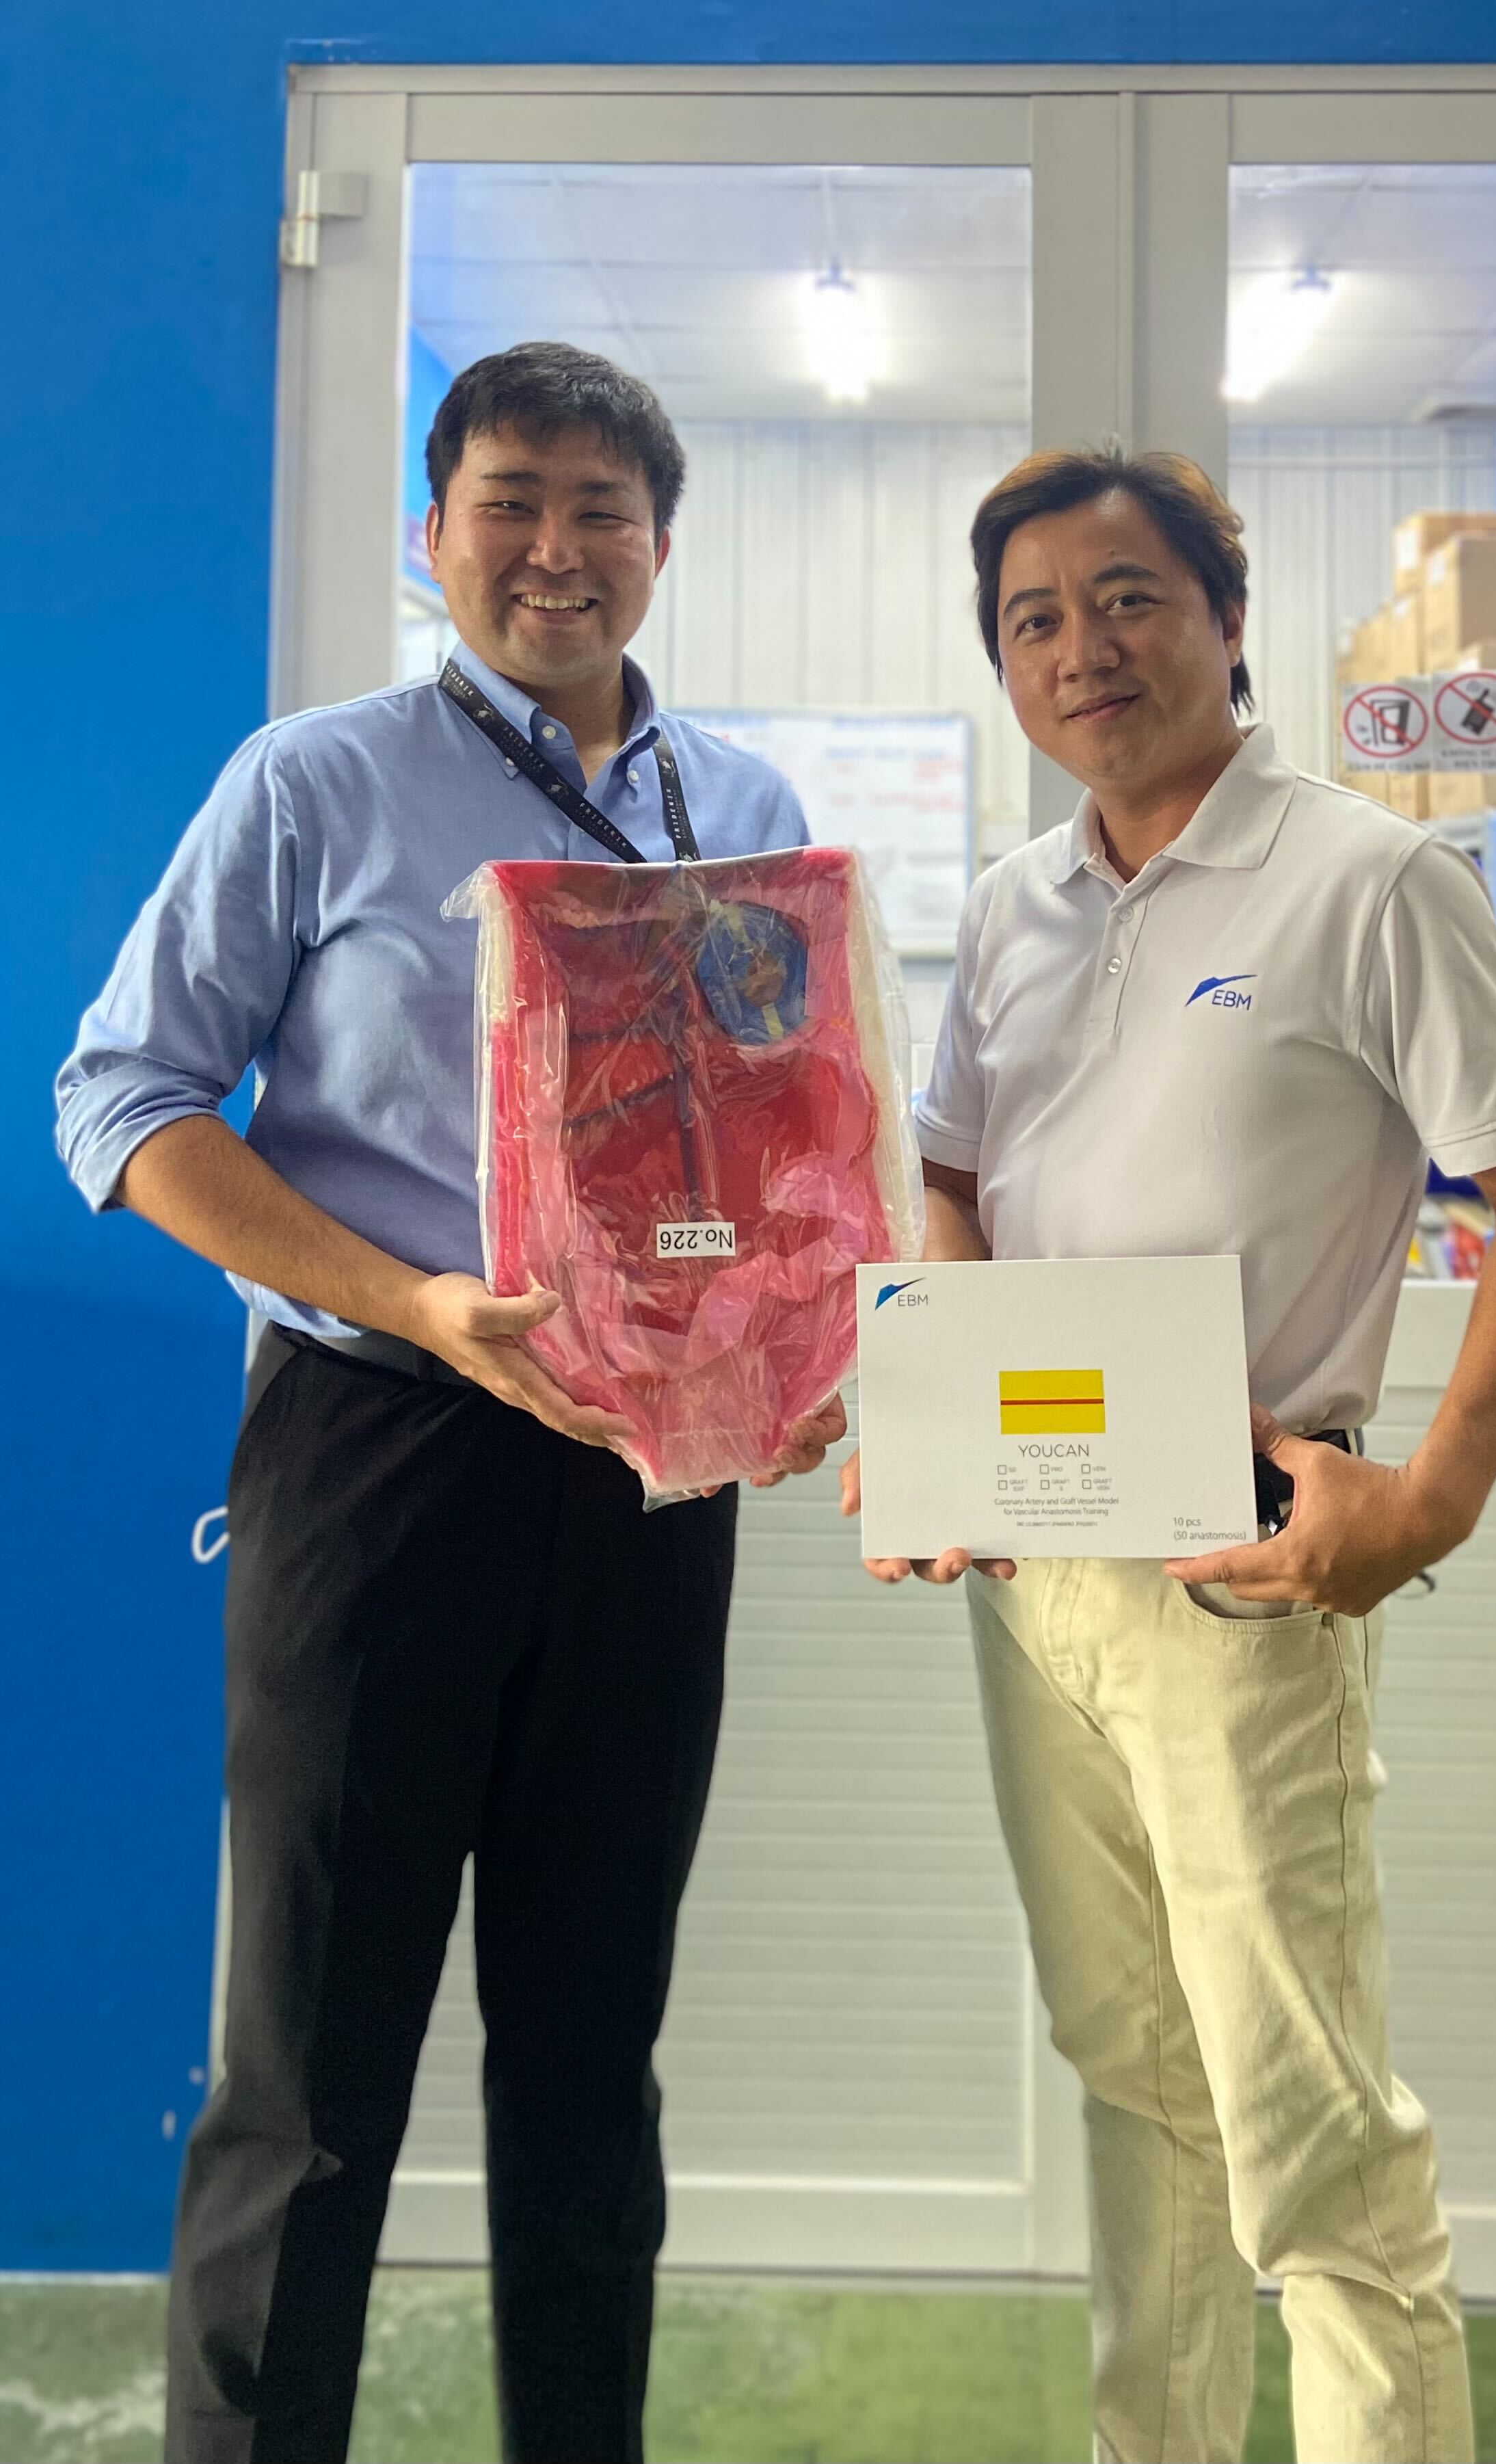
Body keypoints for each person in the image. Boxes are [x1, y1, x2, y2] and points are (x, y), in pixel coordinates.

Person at [55, 341, 844, 2464]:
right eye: (512, 500)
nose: (556, 548)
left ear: (661, 547)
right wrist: (411, 1296)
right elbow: (121, 1100)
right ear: (435, 533)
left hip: (655, 1474)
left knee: (592, 2055)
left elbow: (784, 1147)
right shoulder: (316, 782)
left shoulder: (747, 814)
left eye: (603, 510)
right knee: (310, 2073)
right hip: (382, 1448)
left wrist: (796, 1350)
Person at [842, 446, 1496, 2464]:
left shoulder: (1367, 881)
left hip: (1248, 1571)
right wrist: (941, 1423)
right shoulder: (1009, 911)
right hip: (1037, 1585)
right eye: (1034, 620)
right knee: (1136, 2076)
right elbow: (948, 1178)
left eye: (1128, 600)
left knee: (1309, 2138)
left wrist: (1429, 1500)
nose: (1083, 650)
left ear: (1226, 618)